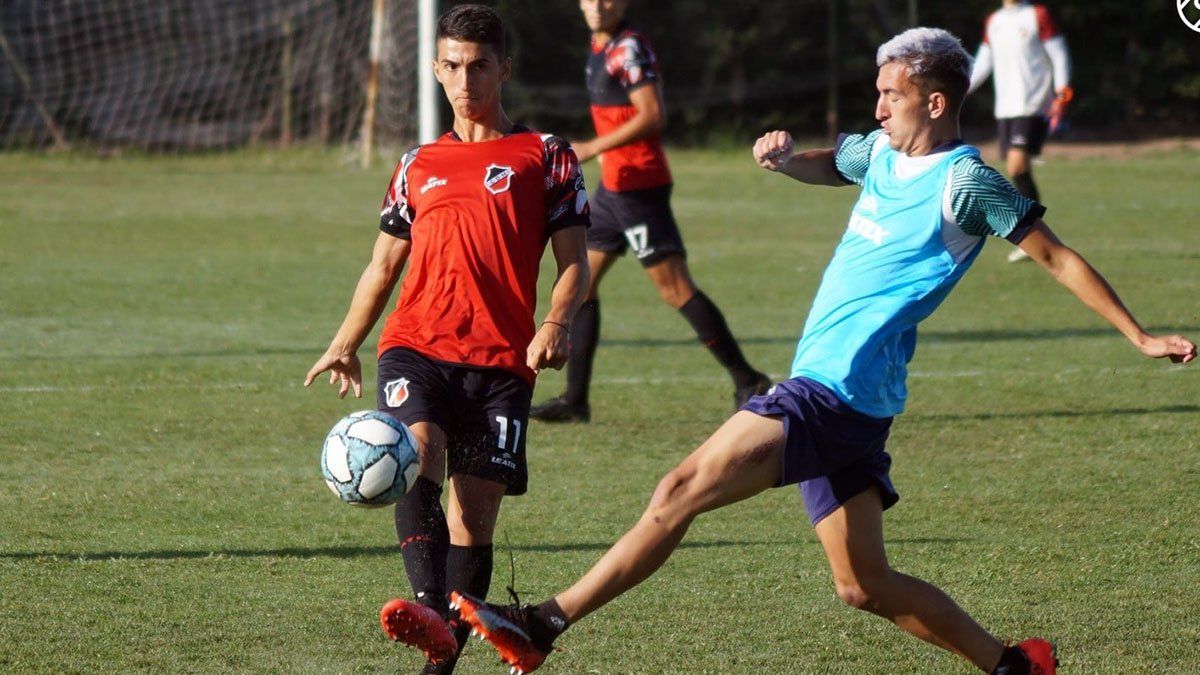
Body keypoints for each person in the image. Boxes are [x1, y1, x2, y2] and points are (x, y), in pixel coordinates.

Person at [448, 27, 1196, 675]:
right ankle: (1011, 662)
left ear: (935, 102)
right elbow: (830, 161)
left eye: (891, 95)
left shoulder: (968, 182)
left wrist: (1138, 334)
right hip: (855, 400)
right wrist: (784, 160)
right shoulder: (880, 153)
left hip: (832, 390)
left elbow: (1057, 256)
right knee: (862, 583)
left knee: (680, 488)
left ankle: (543, 622)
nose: (877, 106)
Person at [303, 5, 590, 673]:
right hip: (417, 344)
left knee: (474, 519)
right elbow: (382, 265)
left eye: (480, 65)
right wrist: (347, 340)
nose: (466, 79)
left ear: (503, 69)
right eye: (453, 66)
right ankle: (430, 602)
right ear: (437, 69)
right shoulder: (416, 163)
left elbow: (574, 260)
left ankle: (440, 658)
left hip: (501, 361)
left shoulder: (545, 155)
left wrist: (557, 321)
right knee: (417, 450)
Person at [529, 0, 770, 423]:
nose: (597, 6)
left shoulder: (630, 49)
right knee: (582, 282)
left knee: (674, 288)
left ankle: (749, 379)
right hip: (614, 189)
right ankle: (575, 401)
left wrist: (591, 148)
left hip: (638, 188)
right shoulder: (599, 46)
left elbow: (652, 114)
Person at [968, 0, 1072, 263]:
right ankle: (1038, 239)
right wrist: (955, 90)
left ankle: (1033, 239)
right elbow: (981, 64)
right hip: (1006, 108)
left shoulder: (1037, 15)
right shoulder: (995, 21)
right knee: (1019, 170)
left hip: (1034, 104)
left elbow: (1059, 54)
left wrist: (1062, 91)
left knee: (1016, 166)